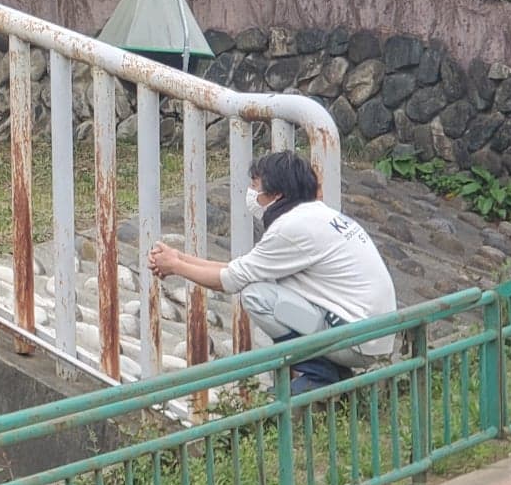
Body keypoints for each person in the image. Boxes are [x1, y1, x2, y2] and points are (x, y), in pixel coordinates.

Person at [147, 152, 397, 393]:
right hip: (370, 335)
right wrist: (179, 258)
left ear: (276, 194)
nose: (252, 194)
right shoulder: (317, 216)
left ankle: (319, 375)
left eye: (256, 186)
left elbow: (231, 281)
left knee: (256, 295)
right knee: (266, 290)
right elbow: (240, 268)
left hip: (357, 341)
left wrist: (176, 267)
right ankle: (329, 372)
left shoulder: (291, 228)